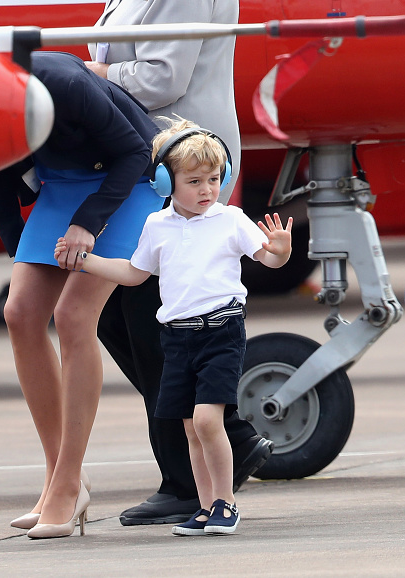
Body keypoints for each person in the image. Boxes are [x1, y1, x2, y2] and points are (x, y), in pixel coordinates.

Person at [85, 0, 274, 525]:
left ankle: (189, 483)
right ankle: (225, 436)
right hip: (144, 162)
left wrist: (94, 76)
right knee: (122, 316)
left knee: (146, 318)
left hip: (181, 168)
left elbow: (161, 78)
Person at [55, 119, 293, 535]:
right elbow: (134, 273)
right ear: (165, 182)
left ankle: (226, 504)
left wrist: (282, 252)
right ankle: (205, 506)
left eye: (214, 179)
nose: (207, 190)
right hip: (178, 337)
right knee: (189, 428)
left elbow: (268, 259)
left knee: (206, 421)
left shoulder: (231, 219)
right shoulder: (156, 225)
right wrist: (86, 262)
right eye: (194, 181)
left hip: (221, 331)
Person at [0, 50, 165, 539]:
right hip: (59, 186)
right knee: (20, 313)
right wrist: (17, 251)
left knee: (73, 316)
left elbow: (136, 152)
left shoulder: (63, 83)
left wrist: (88, 222)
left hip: (125, 183)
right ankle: (61, 476)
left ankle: (65, 484)